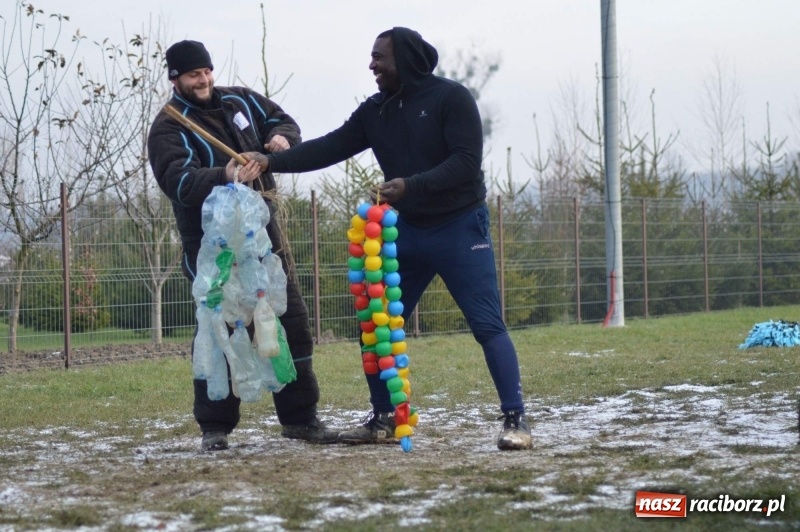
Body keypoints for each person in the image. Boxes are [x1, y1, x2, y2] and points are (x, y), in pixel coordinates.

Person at [262, 28, 532, 451]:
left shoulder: (452, 98)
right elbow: (329, 147)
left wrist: (411, 185)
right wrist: (270, 161)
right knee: (376, 323)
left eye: (379, 57)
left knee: (486, 324)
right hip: (407, 231)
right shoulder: (375, 111)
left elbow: (466, 162)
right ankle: (383, 418)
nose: (372, 65)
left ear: (403, 59)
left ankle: (516, 419)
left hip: (460, 227)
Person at [147, 40, 339, 452]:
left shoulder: (241, 100)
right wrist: (225, 173)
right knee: (219, 333)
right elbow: (177, 182)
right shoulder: (169, 126)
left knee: (291, 325)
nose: (204, 80)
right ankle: (215, 427)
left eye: (206, 71)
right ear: (176, 78)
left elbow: (281, 121)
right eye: (193, 74)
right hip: (214, 250)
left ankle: (301, 419)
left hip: (266, 243)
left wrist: (282, 140)